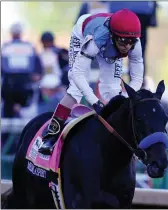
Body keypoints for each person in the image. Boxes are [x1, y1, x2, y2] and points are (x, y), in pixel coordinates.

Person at [39, 9, 144, 154]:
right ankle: (51, 136)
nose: (127, 46)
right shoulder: (97, 39)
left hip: (108, 42)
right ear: (113, 35)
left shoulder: (135, 44)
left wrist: (126, 98)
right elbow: (78, 74)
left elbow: (137, 79)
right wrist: (94, 101)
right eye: (123, 41)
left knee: (113, 91)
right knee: (75, 89)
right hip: (83, 33)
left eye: (131, 42)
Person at [1, 22, 43, 118]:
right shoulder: (28, 46)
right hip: (21, 84)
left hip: (11, 84)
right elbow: (38, 67)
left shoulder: (6, 47)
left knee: (11, 112)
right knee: (22, 112)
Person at [109, 1, 158, 77]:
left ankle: (113, 81)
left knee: (114, 50)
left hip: (118, 9)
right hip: (143, 10)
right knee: (139, 54)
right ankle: (138, 85)